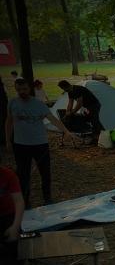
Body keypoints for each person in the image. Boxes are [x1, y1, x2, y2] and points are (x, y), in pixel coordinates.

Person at [6, 79, 75, 207]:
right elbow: (9, 122)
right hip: (20, 145)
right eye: (19, 89)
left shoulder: (38, 104)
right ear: (16, 89)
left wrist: (66, 131)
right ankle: (25, 201)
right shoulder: (12, 103)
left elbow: (52, 119)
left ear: (29, 89)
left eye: (24, 89)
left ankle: (47, 198)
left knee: (45, 172)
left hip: (40, 143)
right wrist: (8, 140)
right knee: (23, 174)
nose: (22, 92)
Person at [0, 164, 24, 265]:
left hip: (8, 215)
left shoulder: (8, 174)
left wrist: (15, 226)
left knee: (16, 247)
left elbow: (19, 201)